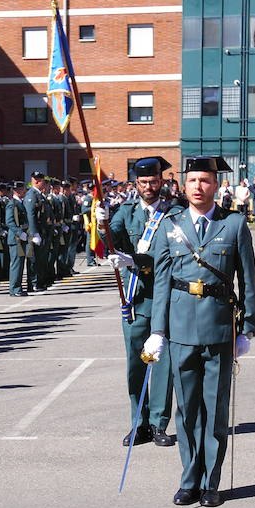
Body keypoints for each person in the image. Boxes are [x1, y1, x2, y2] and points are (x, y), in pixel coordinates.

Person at [142, 157, 255, 508]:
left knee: (215, 410)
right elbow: (162, 281)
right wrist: (157, 330)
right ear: (184, 183)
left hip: (220, 328)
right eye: (192, 180)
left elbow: (248, 279)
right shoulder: (169, 225)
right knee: (187, 411)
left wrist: (247, 327)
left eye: (205, 180)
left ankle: (211, 482)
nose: (198, 187)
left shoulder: (234, 225)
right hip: (179, 329)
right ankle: (189, 478)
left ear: (216, 185)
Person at [95, 157, 176, 448]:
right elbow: (106, 244)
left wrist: (135, 259)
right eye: (143, 183)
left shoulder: (174, 212)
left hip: (165, 296)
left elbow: (172, 256)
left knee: (163, 363)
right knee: (135, 363)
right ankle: (138, 424)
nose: (149, 187)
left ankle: (158, 424)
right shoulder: (126, 212)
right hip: (135, 295)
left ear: (161, 182)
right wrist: (99, 222)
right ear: (135, 184)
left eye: (154, 182)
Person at [23, 171, 48, 291]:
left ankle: (38, 281)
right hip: (34, 232)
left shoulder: (39, 195)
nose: (45, 183)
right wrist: (34, 233)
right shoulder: (31, 195)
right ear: (37, 181)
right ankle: (32, 282)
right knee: (33, 259)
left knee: (40, 258)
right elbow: (30, 215)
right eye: (43, 181)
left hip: (41, 230)